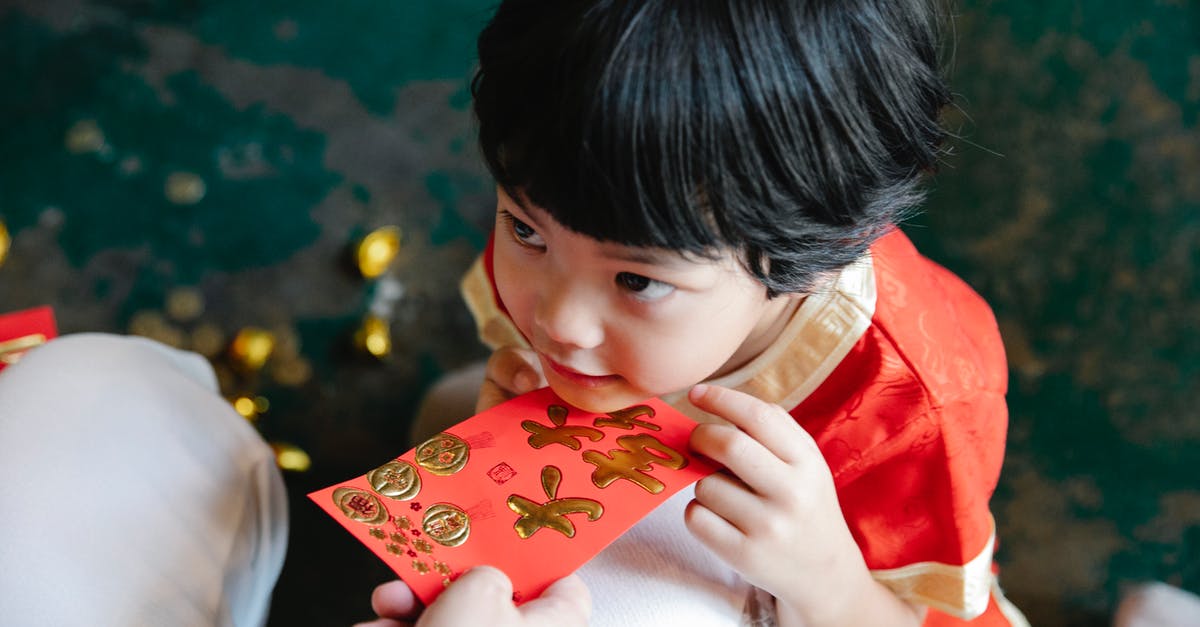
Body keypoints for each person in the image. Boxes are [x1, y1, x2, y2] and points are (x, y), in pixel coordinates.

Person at [374, 0, 1030, 625]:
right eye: (524, 231)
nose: (557, 322)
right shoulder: (576, 220)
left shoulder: (913, 408)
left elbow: (916, 615)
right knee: (452, 415)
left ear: (817, 249)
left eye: (636, 278)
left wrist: (824, 574)